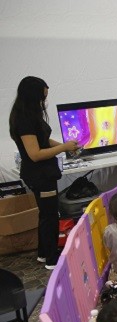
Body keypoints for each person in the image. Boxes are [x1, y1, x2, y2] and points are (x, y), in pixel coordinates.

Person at [9, 76, 80, 270]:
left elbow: (43, 140)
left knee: (46, 214)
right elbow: (35, 154)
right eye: (43, 97)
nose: (44, 102)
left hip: (44, 173)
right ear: (34, 96)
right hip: (39, 175)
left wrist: (65, 147)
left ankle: (43, 253)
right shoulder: (24, 119)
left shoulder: (31, 115)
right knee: (50, 216)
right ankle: (51, 259)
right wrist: (63, 147)